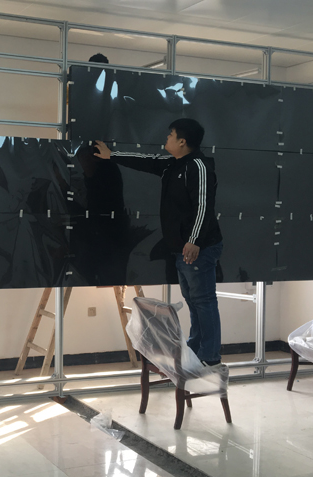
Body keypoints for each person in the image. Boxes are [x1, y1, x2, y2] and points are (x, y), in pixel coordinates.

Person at [94, 118, 224, 368]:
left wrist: (194, 240)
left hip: (199, 248)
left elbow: (204, 206)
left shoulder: (198, 167)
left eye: (171, 135)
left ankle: (210, 356)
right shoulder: (173, 165)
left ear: (182, 141)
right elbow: (146, 161)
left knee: (204, 300)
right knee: (194, 300)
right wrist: (112, 156)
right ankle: (196, 348)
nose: (167, 138)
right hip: (182, 248)